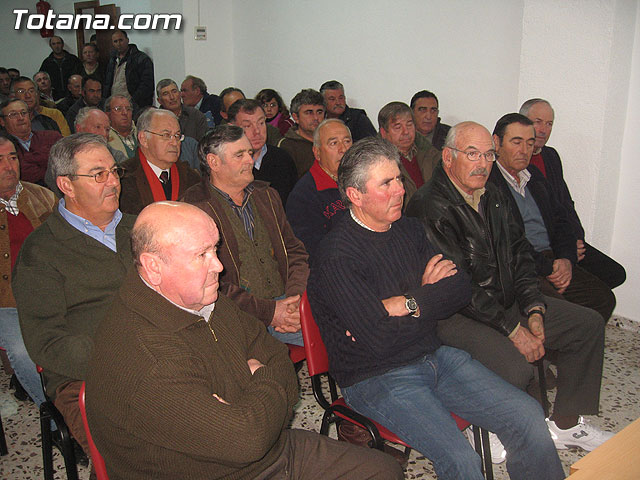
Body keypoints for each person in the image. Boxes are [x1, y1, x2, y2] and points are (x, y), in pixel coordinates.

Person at [85, 201, 402, 480]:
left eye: (215, 249)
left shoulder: (203, 299)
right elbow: (247, 440)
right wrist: (261, 378)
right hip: (214, 472)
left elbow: (276, 355)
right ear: (154, 267)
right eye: (202, 255)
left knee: (384, 472)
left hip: (272, 452)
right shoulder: (146, 358)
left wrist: (248, 404)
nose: (219, 266)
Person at [308, 136, 564, 480]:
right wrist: (428, 295)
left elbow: (458, 288)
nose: (401, 189)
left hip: (435, 356)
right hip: (376, 377)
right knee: (462, 460)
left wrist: (410, 302)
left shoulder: (410, 230)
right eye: (387, 183)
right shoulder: (336, 257)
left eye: (399, 178)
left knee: (529, 417)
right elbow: (378, 342)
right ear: (355, 195)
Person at [406, 121, 613, 452]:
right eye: (472, 153)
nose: (483, 163)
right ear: (448, 157)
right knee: (517, 367)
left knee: (586, 325)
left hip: (505, 301)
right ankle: (481, 425)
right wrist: (514, 329)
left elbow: (521, 255)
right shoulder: (430, 206)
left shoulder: (495, 195)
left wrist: (533, 309)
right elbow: (459, 286)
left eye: (488, 153)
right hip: (454, 312)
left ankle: (566, 424)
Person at [12, 132, 133, 458]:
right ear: (66, 184)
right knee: (135, 454)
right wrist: (124, 358)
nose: (113, 182)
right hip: (86, 375)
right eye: (98, 174)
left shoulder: (141, 229)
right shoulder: (41, 251)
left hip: (163, 357)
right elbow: (47, 343)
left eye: (114, 171)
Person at [182, 125, 308, 346]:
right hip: (235, 316)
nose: (250, 160)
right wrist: (271, 312)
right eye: (239, 155)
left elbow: (294, 250)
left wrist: (295, 301)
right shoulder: (194, 207)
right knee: (335, 336)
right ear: (214, 162)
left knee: (342, 324)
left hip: (286, 301)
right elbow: (206, 282)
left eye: (250, 153)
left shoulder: (267, 196)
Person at [488, 113, 615, 322]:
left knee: (603, 299)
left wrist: (566, 259)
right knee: (566, 314)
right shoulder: (488, 182)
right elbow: (505, 240)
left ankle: (570, 350)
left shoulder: (534, 176)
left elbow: (562, 220)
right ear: (496, 142)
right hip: (522, 265)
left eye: (530, 143)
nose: (524, 151)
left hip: (553, 257)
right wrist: (549, 269)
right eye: (516, 142)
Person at [520, 98, 626, 290]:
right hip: (542, 244)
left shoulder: (550, 156)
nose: (543, 129)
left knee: (615, 273)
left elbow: (566, 203)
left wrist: (576, 237)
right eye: (537, 121)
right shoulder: (517, 161)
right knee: (598, 294)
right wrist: (565, 250)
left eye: (549, 123)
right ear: (522, 122)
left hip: (563, 237)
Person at [0, 133, 56, 406]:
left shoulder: (44, 197)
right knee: (24, 354)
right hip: (7, 304)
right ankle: (59, 422)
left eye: (12, 157)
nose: (8, 165)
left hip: (51, 293)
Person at [286, 118, 351, 260]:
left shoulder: (363, 180)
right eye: (334, 143)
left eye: (347, 141)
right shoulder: (303, 196)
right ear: (317, 153)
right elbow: (312, 252)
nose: (343, 149)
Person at [119, 109, 200, 215]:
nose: (174, 143)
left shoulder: (192, 179)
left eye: (177, 136)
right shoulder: (123, 178)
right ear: (143, 139)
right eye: (166, 135)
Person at [228, 99, 297, 205]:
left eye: (261, 123)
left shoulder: (282, 158)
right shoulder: (226, 164)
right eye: (247, 126)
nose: (257, 131)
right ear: (232, 129)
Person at [378, 101, 440, 206]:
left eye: (409, 125)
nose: (406, 132)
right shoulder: (378, 162)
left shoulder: (430, 154)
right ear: (384, 133)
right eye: (398, 127)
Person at [0, 99, 62, 185]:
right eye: (13, 114)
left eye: (24, 113)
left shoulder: (52, 137)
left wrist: (28, 159)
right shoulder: (4, 147)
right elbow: (25, 174)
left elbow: (65, 166)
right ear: (2, 121)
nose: (20, 118)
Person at [278, 89, 325, 178]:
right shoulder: (286, 146)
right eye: (309, 112)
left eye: (319, 112)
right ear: (296, 117)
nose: (316, 117)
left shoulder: (331, 140)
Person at [103, 30, 155, 109]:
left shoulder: (141, 58)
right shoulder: (112, 60)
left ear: (127, 40)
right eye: (115, 41)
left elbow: (147, 84)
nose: (118, 44)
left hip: (135, 104)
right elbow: (108, 82)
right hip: (115, 103)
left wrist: (133, 100)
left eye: (121, 40)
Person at [38, 36, 82, 101]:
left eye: (58, 43)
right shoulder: (47, 63)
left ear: (62, 44)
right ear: (50, 46)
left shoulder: (73, 59)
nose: (56, 46)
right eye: (54, 44)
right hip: (55, 97)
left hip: (73, 95)